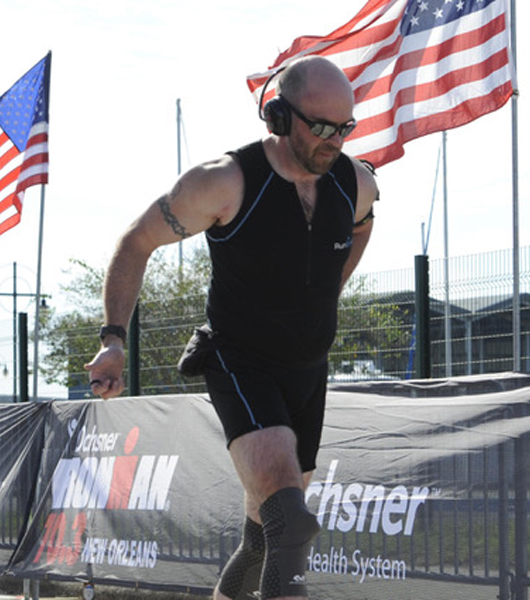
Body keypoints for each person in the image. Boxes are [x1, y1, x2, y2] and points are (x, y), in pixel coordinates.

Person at [86, 56, 378, 600]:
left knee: (263, 538)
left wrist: (329, 290)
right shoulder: (224, 181)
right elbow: (136, 242)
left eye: (345, 128)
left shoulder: (353, 182)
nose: (334, 142)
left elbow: (362, 227)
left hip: (307, 370)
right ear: (279, 116)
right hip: (240, 361)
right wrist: (113, 341)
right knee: (290, 523)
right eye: (321, 128)